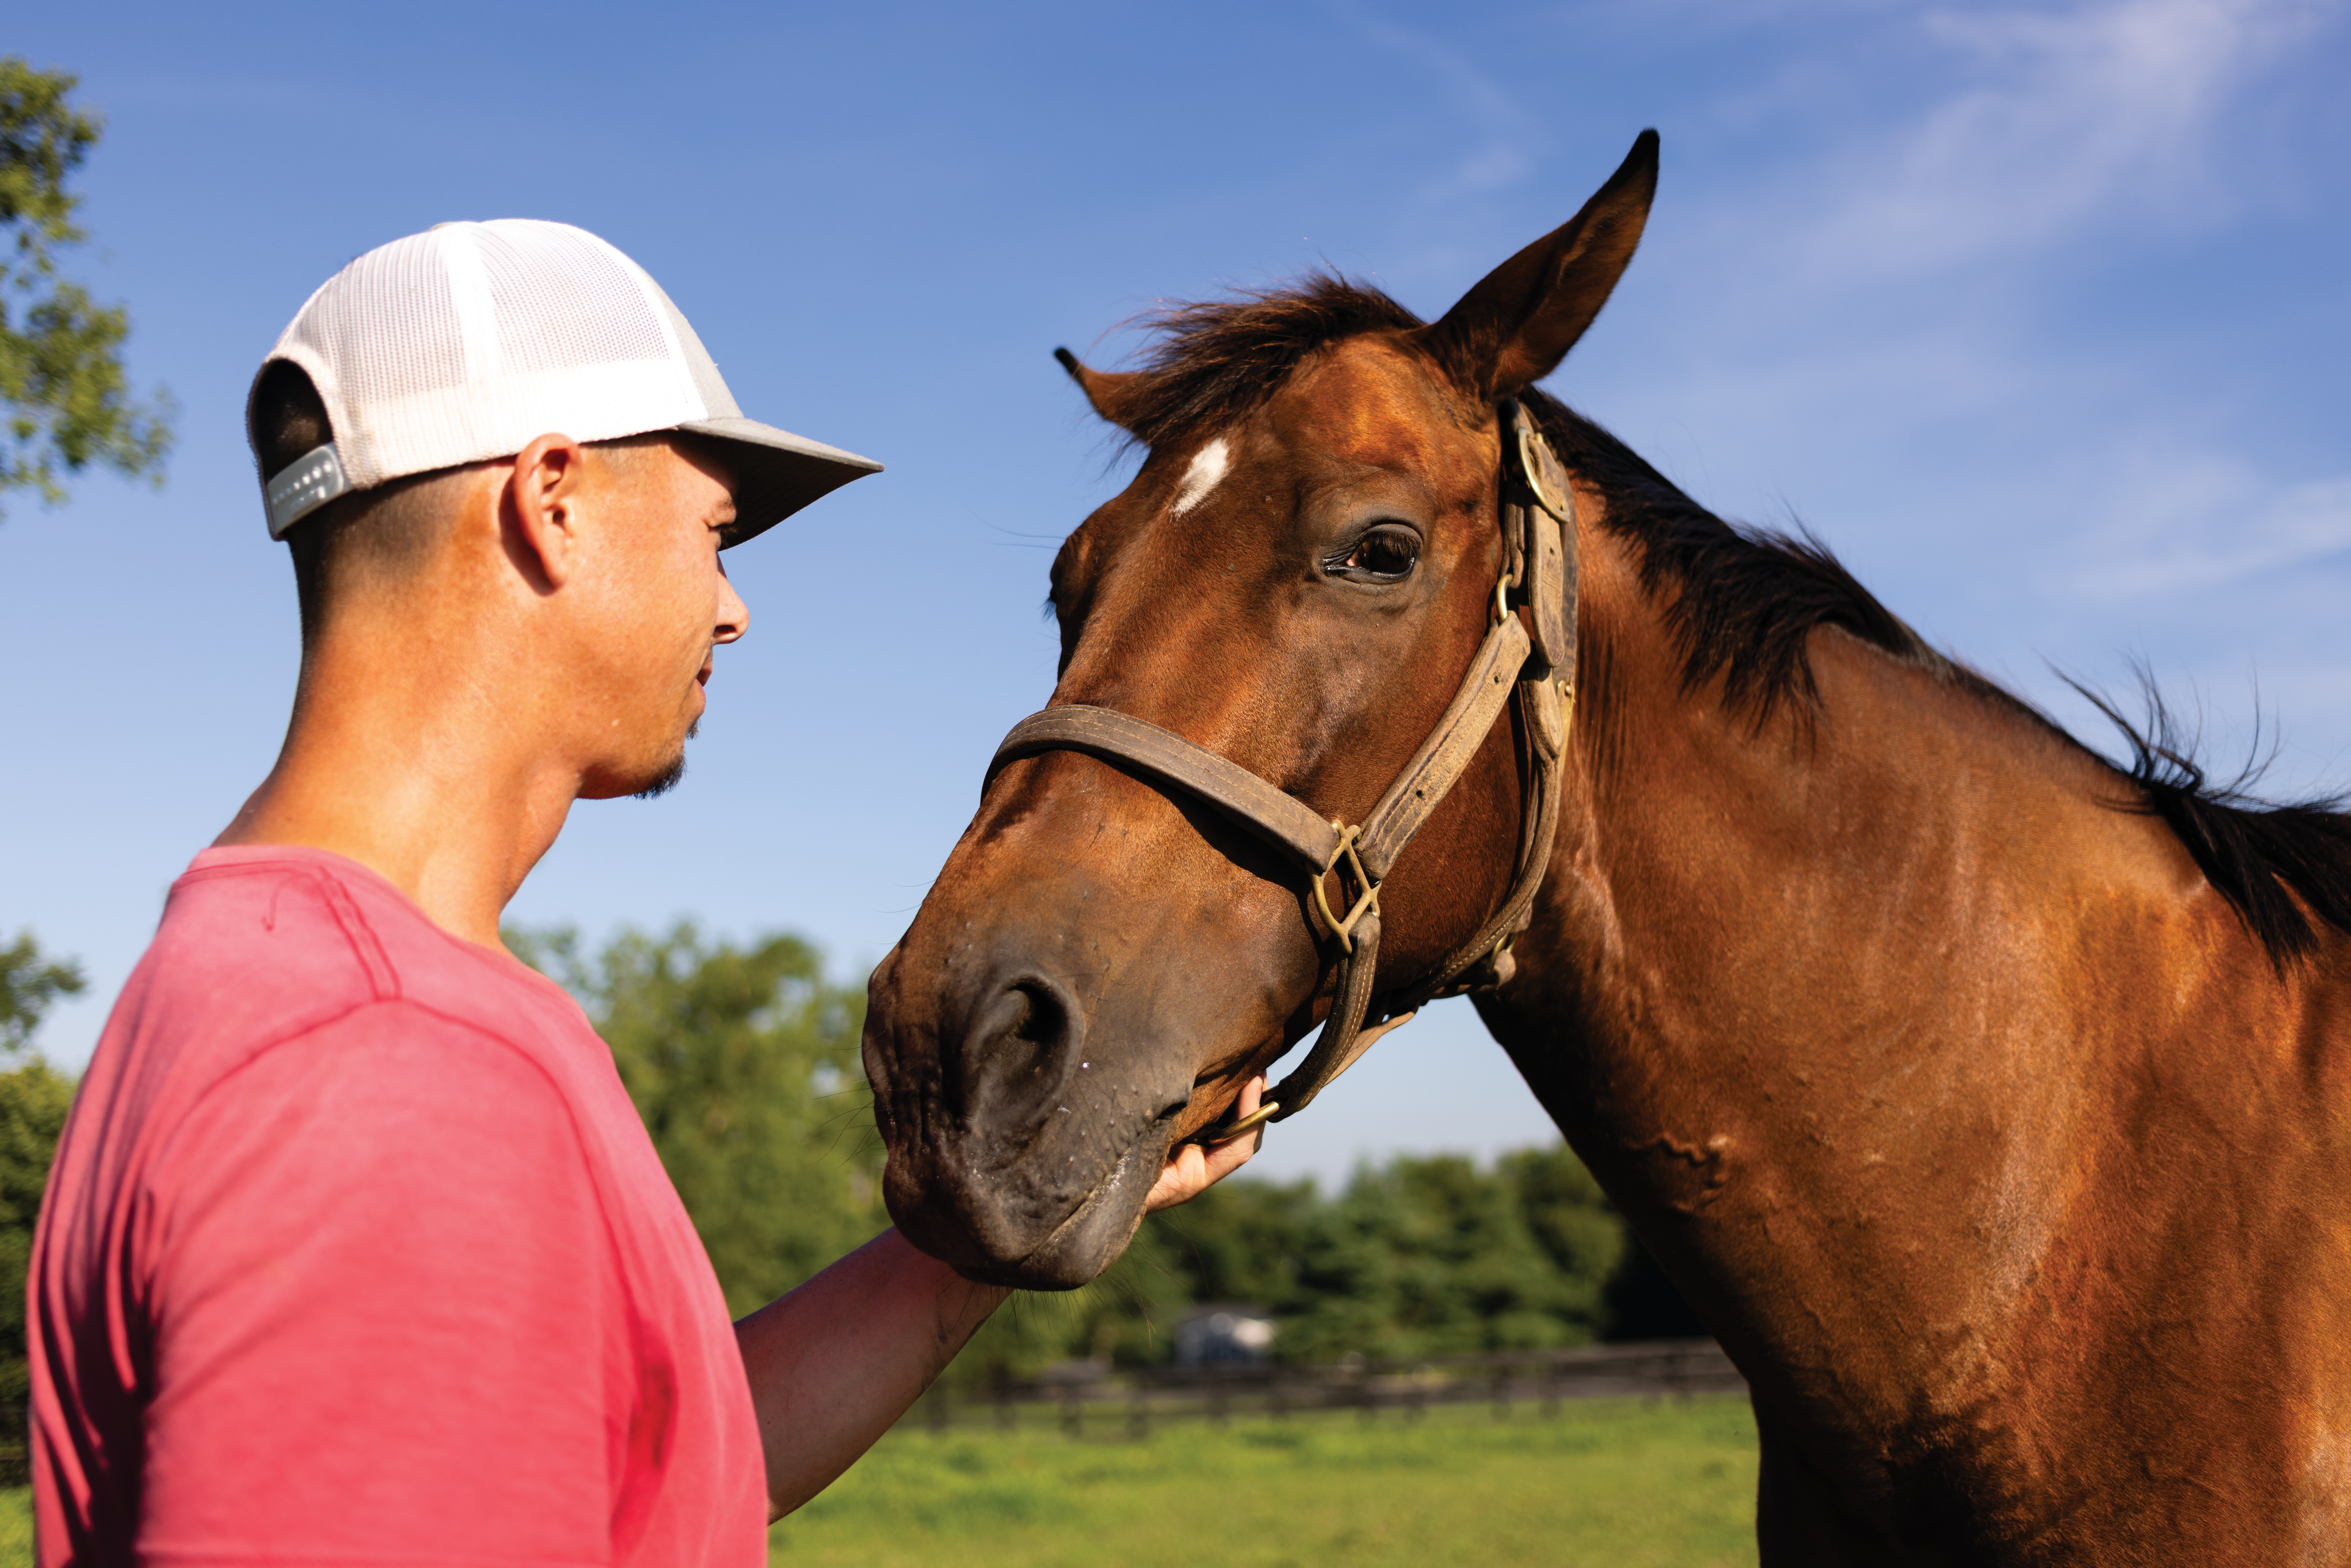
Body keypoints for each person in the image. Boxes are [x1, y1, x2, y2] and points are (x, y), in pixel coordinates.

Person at [27, 219, 1266, 1565]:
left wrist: (987, 1229)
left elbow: (633, 1470)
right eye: (715, 534)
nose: (732, 609)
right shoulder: (391, 1066)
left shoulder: (256, 973)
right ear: (550, 497)